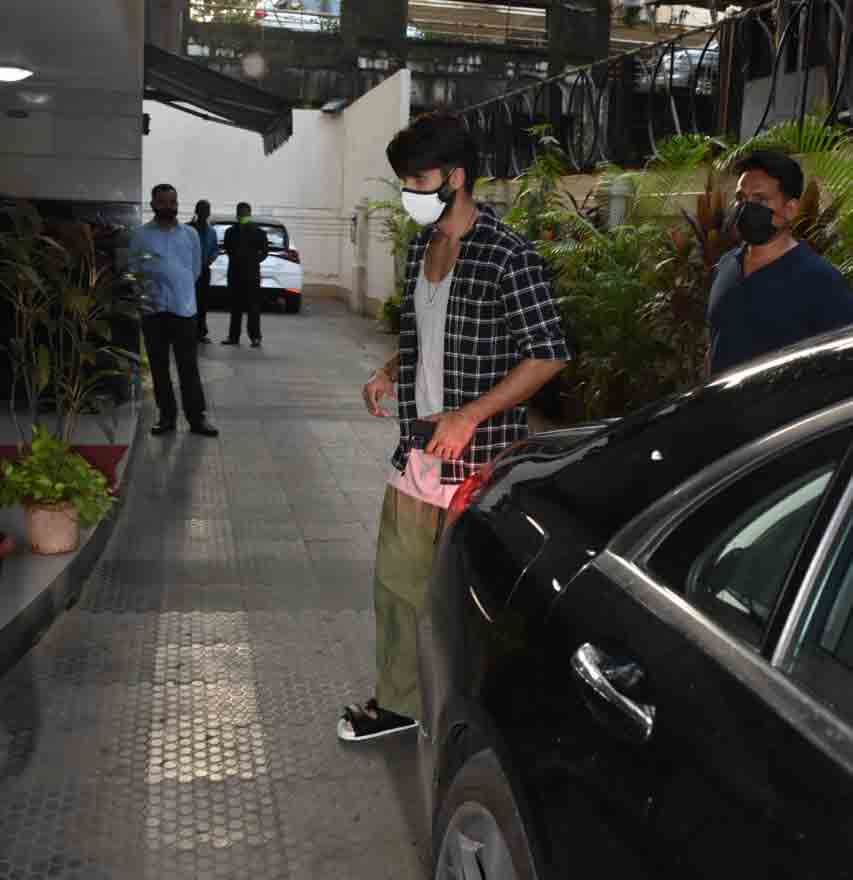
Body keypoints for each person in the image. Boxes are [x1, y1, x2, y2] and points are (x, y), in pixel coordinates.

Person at [337, 112, 571, 743]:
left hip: (481, 459)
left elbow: (548, 351)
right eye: (404, 180)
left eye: (418, 178)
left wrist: (469, 415)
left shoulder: (509, 255)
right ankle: (400, 702)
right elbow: (423, 331)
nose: (408, 191)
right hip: (419, 449)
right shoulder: (421, 246)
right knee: (397, 583)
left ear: (457, 176)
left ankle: (485, 713)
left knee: (471, 596)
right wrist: (391, 370)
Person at [707, 149, 853, 376]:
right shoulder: (726, 266)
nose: (745, 208)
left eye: (760, 199)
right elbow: (716, 346)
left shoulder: (821, 281)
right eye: (741, 198)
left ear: (791, 209)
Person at [129, 184, 219, 437]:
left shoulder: (189, 235)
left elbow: (195, 270)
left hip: (183, 311)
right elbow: (133, 270)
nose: (169, 207)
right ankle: (167, 417)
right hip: (153, 311)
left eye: (173, 202)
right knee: (159, 367)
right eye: (164, 202)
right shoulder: (141, 235)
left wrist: (179, 288)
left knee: (188, 367)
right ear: (153, 204)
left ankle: (197, 418)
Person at [221, 202, 268, 348]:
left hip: (251, 275)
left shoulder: (258, 232)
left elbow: (264, 252)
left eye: (245, 213)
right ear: (237, 215)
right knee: (235, 307)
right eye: (240, 213)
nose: (242, 216)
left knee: (253, 308)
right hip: (235, 274)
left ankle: (255, 337)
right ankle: (233, 337)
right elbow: (227, 249)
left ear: (249, 214)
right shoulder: (230, 232)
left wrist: (253, 262)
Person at [189, 199, 218, 344]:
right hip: (188, 272)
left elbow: (215, 250)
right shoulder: (187, 229)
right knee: (189, 301)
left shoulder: (212, 232)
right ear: (196, 211)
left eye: (207, 210)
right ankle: (188, 331)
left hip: (205, 270)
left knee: (202, 302)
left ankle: (200, 333)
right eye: (202, 210)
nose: (204, 213)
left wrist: (210, 260)